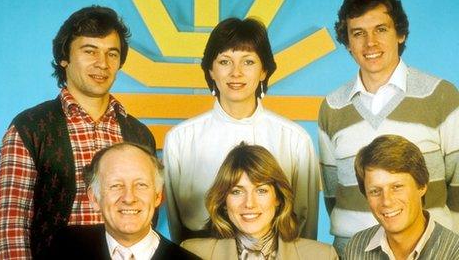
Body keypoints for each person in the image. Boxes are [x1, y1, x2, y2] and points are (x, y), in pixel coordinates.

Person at [0, 6, 155, 259]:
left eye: (111, 54)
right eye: (89, 51)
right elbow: (11, 222)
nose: (102, 64)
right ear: (64, 58)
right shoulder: (30, 128)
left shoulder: (138, 134)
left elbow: (145, 218)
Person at [318, 0, 459, 254]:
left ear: (401, 33)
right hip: (351, 253)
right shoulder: (332, 107)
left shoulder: (441, 96)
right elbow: (333, 195)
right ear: (348, 43)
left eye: (381, 29)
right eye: (358, 33)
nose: (370, 42)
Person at [163, 17, 320, 244]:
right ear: (211, 70)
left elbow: (306, 228)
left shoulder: (295, 139)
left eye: (248, 62)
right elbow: (177, 228)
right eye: (225, 62)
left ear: (264, 70)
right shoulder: (180, 139)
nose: (236, 73)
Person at [181, 143, 337, 259]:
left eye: (261, 190)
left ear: (278, 198)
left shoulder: (322, 256)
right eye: (237, 191)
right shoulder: (192, 253)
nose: (249, 203)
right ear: (223, 202)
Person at [48, 143, 199, 259]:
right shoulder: (64, 247)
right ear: (94, 197)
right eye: (116, 185)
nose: (129, 198)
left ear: (158, 196)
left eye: (141, 185)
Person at [345, 135, 459, 259]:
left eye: (397, 187)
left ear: (421, 186)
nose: (387, 201)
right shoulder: (355, 248)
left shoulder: (454, 252)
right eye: (375, 191)